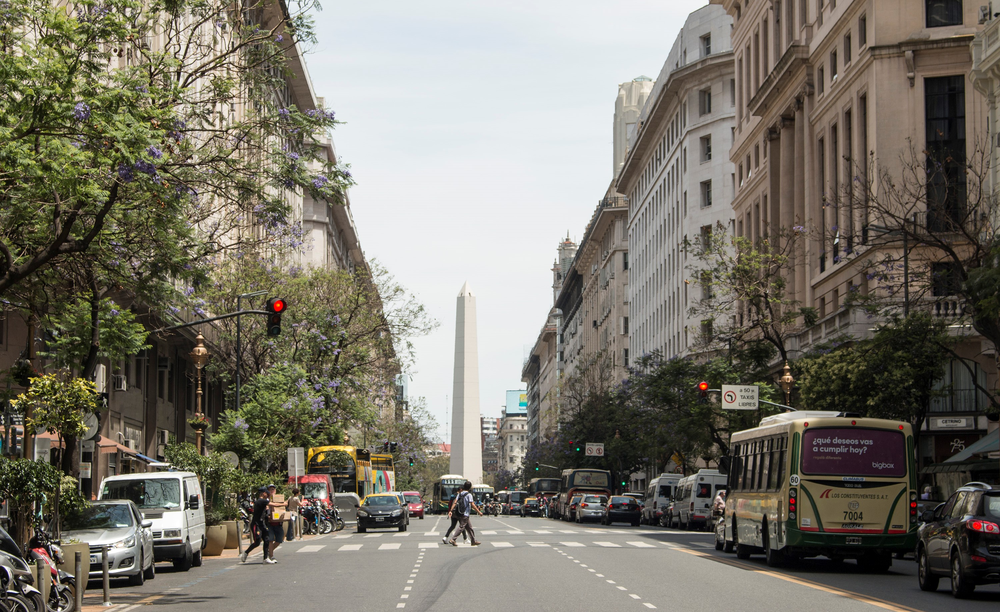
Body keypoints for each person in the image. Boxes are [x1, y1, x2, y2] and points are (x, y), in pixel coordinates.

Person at [241, 487, 273, 564]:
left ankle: (266, 558)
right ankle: (246, 552)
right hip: (256, 524)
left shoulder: (263, 502)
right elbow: (273, 504)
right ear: (263, 493)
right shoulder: (260, 501)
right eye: (266, 493)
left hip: (262, 523)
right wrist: (284, 503)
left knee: (266, 539)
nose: (267, 495)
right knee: (257, 541)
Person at [447, 481, 482, 547]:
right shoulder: (469, 495)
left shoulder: (459, 494)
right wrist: (479, 512)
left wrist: (451, 510)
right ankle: (453, 539)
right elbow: (472, 504)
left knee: (469, 527)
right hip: (465, 513)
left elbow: (455, 502)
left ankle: (473, 541)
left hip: (459, 513)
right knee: (462, 527)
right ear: (470, 487)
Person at [266, 484, 286, 562]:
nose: (272, 491)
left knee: (279, 539)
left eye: (273, 489)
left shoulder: (278, 499)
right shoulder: (267, 500)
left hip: (278, 523)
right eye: (270, 489)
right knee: (270, 540)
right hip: (270, 523)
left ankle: (268, 551)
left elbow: (284, 505)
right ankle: (271, 555)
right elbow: (268, 506)